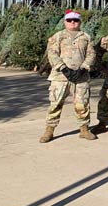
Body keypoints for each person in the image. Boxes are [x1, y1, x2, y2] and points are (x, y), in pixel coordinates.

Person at [40, 10, 97, 143]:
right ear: (65, 21)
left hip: (80, 77)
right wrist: (63, 68)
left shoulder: (86, 37)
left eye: (75, 20)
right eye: (69, 20)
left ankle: (84, 129)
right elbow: (52, 53)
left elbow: (91, 54)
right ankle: (49, 130)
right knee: (55, 104)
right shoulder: (58, 36)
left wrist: (84, 67)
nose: (72, 23)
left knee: (82, 104)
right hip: (60, 77)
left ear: (80, 22)